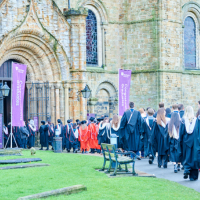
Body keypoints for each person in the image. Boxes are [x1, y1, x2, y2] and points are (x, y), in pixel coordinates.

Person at [178, 106, 200, 181]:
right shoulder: (196, 120)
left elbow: (181, 132)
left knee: (187, 156)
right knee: (194, 157)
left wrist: (180, 141)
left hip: (185, 142)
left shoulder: (183, 120)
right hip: (194, 142)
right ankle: (193, 176)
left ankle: (186, 170)